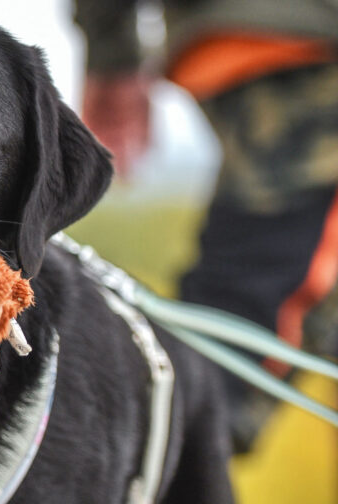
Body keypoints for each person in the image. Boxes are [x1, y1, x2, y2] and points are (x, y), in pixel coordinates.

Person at [75, 0, 338, 452]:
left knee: (204, 386)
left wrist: (111, 48)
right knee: (202, 390)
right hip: (295, 43)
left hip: (279, 43)